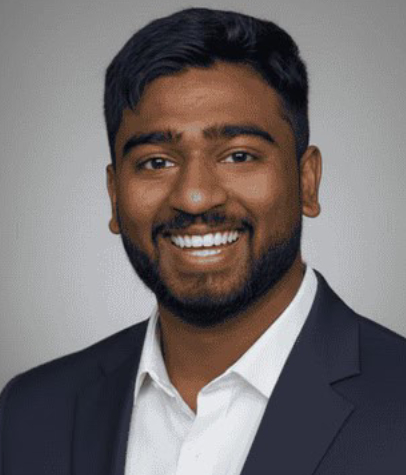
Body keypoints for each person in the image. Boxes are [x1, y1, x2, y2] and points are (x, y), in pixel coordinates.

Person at [1, 7, 406, 475]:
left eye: (239, 156)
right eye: (156, 162)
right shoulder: (31, 413)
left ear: (307, 181)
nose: (194, 197)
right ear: (114, 195)